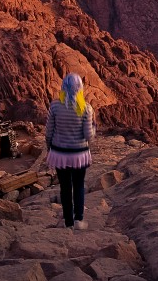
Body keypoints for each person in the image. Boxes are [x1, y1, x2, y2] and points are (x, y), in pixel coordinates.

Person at [45, 72, 95, 230]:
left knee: (65, 187)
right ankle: (79, 220)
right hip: (79, 154)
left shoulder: (55, 106)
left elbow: (49, 132)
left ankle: (68, 222)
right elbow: (88, 136)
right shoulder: (85, 108)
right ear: (80, 88)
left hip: (60, 154)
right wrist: (94, 128)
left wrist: (49, 148)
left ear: (63, 86)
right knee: (79, 186)